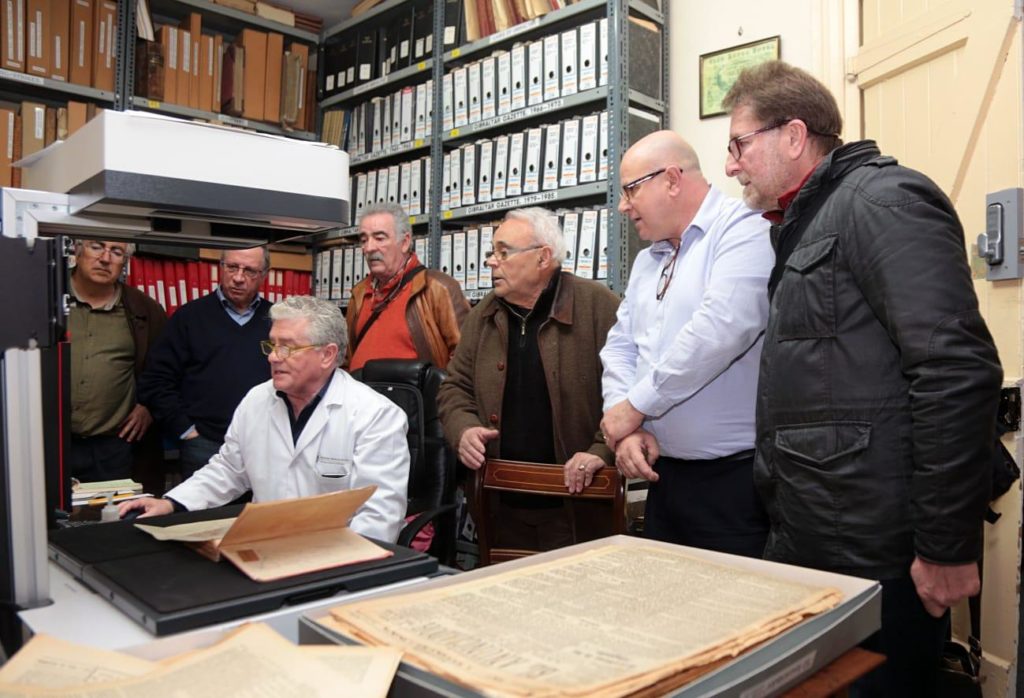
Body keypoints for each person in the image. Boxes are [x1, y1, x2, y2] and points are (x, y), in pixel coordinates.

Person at [721, 60, 1002, 695]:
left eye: (739, 145)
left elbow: (955, 371)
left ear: (794, 136)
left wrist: (945, 547)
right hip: (819, 540)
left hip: (882, 555)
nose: (732, 165)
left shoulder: (881, 201)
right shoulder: (808, 221)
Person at [599, 130, 772, 558]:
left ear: (672, 179)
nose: (623, 206)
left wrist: (635, 406)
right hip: (665, 480)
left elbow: (718, 331)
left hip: (732, 485)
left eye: (630, 190)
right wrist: (624, 426)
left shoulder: (744, 229)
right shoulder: (647, 260)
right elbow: (621, 346)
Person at [121, 295, 410, 543]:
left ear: (327, 355)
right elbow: (229, 469)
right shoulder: (257, 400)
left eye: (288, 347)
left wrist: (333, 567)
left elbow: (379, 516)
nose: (273, 357)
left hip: (336, 561)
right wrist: (172, 503)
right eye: (272, 345)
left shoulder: (375, 415)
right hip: (267, 550)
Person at [438, 207, 620, 552]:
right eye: (492, 252)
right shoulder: (484, 314)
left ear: (543, 257)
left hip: (578, 505)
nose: (492, 261)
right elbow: (454, 387)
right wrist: (462, 429)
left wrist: (601, 450)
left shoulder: (599, 307)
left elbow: (627, 394)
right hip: (499, 503)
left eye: (503, 252)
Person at [138, 247, 273, 479]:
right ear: (220, 268)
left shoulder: (277, 320)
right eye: (232, 267)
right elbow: (157, 379)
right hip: (204, 445)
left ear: (264, 275)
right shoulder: (189, 317)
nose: (239, 278)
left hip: (265, 445)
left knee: (260, 513)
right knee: (205, 514)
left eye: (250, 271)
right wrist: (185, 430)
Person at [67, 240, 167, 494]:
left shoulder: (145, 310)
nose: (105, 258)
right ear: (77, 252)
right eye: (96, 247)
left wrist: (148, 406)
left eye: (116, 252)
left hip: (114, 446)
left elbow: (164, 370)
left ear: (125, 262)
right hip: (50, 441)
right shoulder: (44, 298)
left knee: (109, 526)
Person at [346, 202, 469, 371]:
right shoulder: (358, 294)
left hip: (415, 397)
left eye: (379, 238)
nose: (369, 248)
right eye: (364, 240)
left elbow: (466, 357)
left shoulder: (437, 288)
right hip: (360, 395)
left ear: (404, 242)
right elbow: (347, 357)